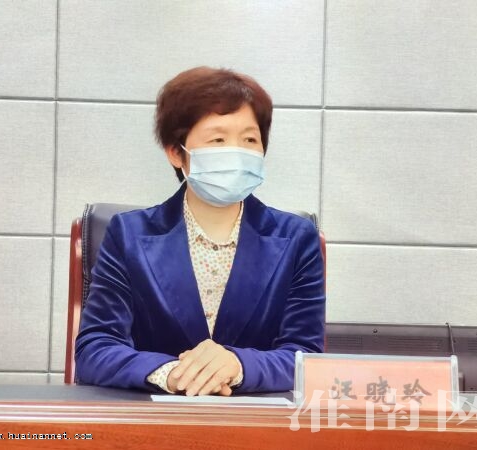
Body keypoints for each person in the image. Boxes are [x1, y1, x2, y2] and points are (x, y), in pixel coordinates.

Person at [75, 66, 325, 396]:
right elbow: (95, 349)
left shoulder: (297, 238)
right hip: (155, 416)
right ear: (176, 152)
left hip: (256, 419)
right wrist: (172, 373)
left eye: (250, 139)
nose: (236, 152)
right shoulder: (128, 235)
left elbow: (306, 356)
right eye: (218, 139)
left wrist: (238, 365)